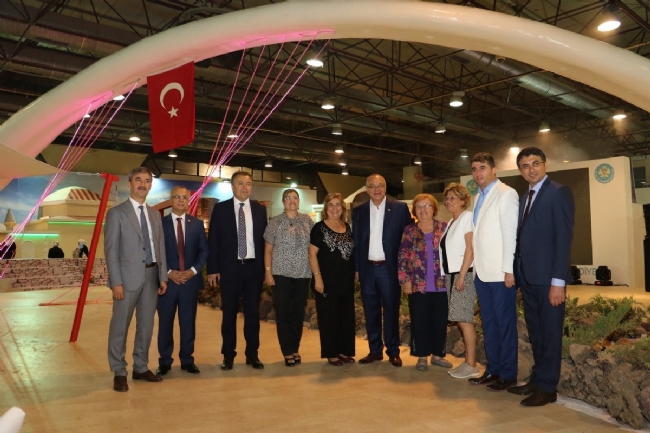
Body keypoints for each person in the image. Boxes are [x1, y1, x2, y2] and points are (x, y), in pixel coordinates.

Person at [508, 147, 575, 406]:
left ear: (545, 164)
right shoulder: (525, 197)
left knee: (550, 334)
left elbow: (563, 240)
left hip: (548, 279)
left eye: (535, 163)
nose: (531, 169)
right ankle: (537, 380)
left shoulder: (559, 192)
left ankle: (548, 388)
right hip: (528, 276)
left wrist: (558, 282)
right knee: (536, 332)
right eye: (525, 165)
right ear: (520, 170)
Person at [105, 167, 168, 392]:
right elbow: (111, 250)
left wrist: (162, 276)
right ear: (130, 183)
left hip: (152, 277)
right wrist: (116, 282)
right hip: (126, 279)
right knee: (120, 326)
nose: (143, 184)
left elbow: (160, 247)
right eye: (138, 180)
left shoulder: (154, 214)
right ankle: (119, 370)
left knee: (146, 326)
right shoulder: (116, 213)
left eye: (147, 181)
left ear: (150, 185)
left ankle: (140, 367)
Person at [468, 152, 519, 391]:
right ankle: (493, 369)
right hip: (482, 273)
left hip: (500, 274)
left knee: (504, 325)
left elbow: (510, 235)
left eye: (482, 168)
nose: (478, 173)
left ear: (494, 170)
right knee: (489, 325)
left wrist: (509, 270)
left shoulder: (506, 193)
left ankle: (508, 374)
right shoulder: (477, 197)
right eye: (474, 169)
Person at [207, 171, 267, 370]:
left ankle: (253, 355)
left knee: (252, 315)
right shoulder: (221, 209)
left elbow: (264, 242)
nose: (244, 187)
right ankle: (228, 355)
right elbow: (213, 240)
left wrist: (266, 269)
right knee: (229, 314)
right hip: (229, 269)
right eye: (240, 183)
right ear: (232, 186)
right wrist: (213, 268)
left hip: (253, 269)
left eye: (248, 184)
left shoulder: (260, 210)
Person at [352, 174, 412, 367]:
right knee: (371, 311)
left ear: (386, 187)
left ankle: (393, 351)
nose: (376, 189)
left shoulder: (400, 208)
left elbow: (408, 240)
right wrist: (357, 268)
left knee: (391, 311)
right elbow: (356, 242)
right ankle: (374, 351)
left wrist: (405, 269)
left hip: (389, 269)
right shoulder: (359, 211)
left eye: (380, 185)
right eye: (372, 186)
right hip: (367, 269)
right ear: (367, 189)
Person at [156, 186, 209, 376]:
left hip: (189, 282)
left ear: (188, 201)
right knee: (165, 324)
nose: (180, 200)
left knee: (188, 323)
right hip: (167, 283)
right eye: (176, 197)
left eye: (184, 198)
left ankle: (187, 360)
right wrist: (168, 272)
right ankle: (165, 361)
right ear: (171, 200)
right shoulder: (159, 224)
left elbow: (204, 251)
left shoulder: (196, 224)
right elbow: (155, 251)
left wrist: (193, 271)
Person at [398, 194, 450, 371]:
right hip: (417, 284)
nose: (423, 210)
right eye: (419, 207)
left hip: (441, 284)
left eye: (427, 206)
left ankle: (438, 355)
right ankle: (421, 356)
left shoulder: (444, 227)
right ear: (415, 210)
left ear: (434, 208)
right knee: (420, 321)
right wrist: (405, 280)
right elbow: (402, 256)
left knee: (439, 322)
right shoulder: (410, 230)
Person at [263, 189, 314, 366]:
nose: (292, 201)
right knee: (283, 312)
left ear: (298, 202)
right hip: (280, 274)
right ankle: (286, 350)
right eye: (288, 198)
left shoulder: (307, 220)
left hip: (302, 274)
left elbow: (313, 247)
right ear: (283, 202)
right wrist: (268, 272)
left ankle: (295, 348)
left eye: (295, 198)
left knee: (298, 312)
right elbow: (268, 250)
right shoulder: (275, 222)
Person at [308, 193, 356, 366]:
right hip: (326, 281)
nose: (334, 208)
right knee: (329, 318)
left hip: (345, 281)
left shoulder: (347, 227)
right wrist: (318, 278)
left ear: (342, 208)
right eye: (331, 205)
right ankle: (331, 353)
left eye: (338, 205)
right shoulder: (319, 227)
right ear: (326, 208)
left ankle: (343, 350)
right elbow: (312, 254)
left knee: (345, 318)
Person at [440, 183, 480, 379]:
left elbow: (470, 249)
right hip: (452, 275)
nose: (448, 201)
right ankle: (467, 362)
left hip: (463, 275)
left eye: (453, 198)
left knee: (465, 321)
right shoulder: (451, 222)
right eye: (447, 198)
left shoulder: (467, 218)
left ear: (464, 201)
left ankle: (471, 365)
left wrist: (462, 276)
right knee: (460, 320)